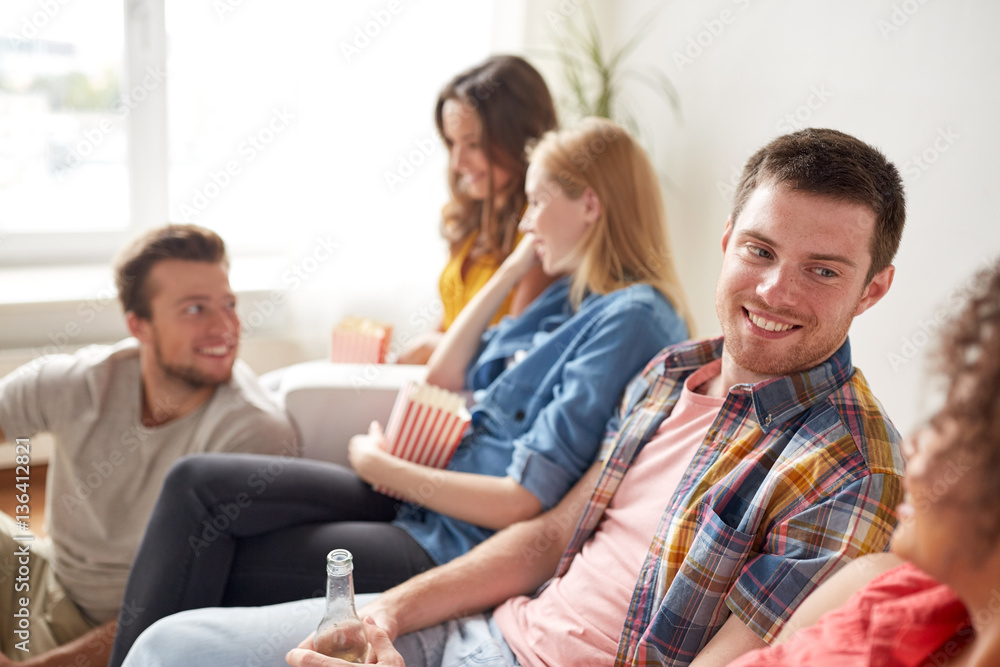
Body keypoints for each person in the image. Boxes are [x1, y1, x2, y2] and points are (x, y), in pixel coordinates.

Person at [119, 126, 907, 667]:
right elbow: (546, 537)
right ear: (729, 238)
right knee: (169, 647)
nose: (775, 288)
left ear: (874, 289)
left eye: (823, 269)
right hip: (480, 629)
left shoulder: (849, 465)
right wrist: (388, 613)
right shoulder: (670, 373)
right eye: (761, 250)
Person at [0, 224, 297, 666]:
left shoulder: (252, 432)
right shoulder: (73, 382)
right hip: (47, 581)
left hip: (132, 634)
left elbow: (193, 603)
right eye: (196, 309)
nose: (226, 327)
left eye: (229, 304)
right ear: (139, 324)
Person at [726, 259, 1000, 667]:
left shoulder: (857, 471)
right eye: (761, 251)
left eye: (956, 421)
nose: (914, 445)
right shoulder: (885, 590)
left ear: (872, 288)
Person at [395, 54, 558, 364]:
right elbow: (451, 321)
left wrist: (436, 347)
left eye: (472, 144)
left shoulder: (541, 228)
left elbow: (514, 354)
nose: (457, 163)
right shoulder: (469, 217)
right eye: (452, 142)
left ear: (517, 137)